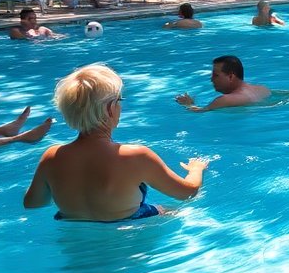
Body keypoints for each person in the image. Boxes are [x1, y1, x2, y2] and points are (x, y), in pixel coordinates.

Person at [24, 64, 207, 222]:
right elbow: (188, 193)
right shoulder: (136, 156)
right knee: (174, 212)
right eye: (119, 100)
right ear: (110, 108)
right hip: (131, 234)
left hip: (75, 236)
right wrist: (195, 169)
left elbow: (32, 203)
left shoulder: (51, 157)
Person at [176, 55, 271, 111]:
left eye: (216, 75)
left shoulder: (224, 100)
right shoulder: (263, 89)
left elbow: (199, 112)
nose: (211, 79)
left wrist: (189, 105)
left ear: (230, 77)